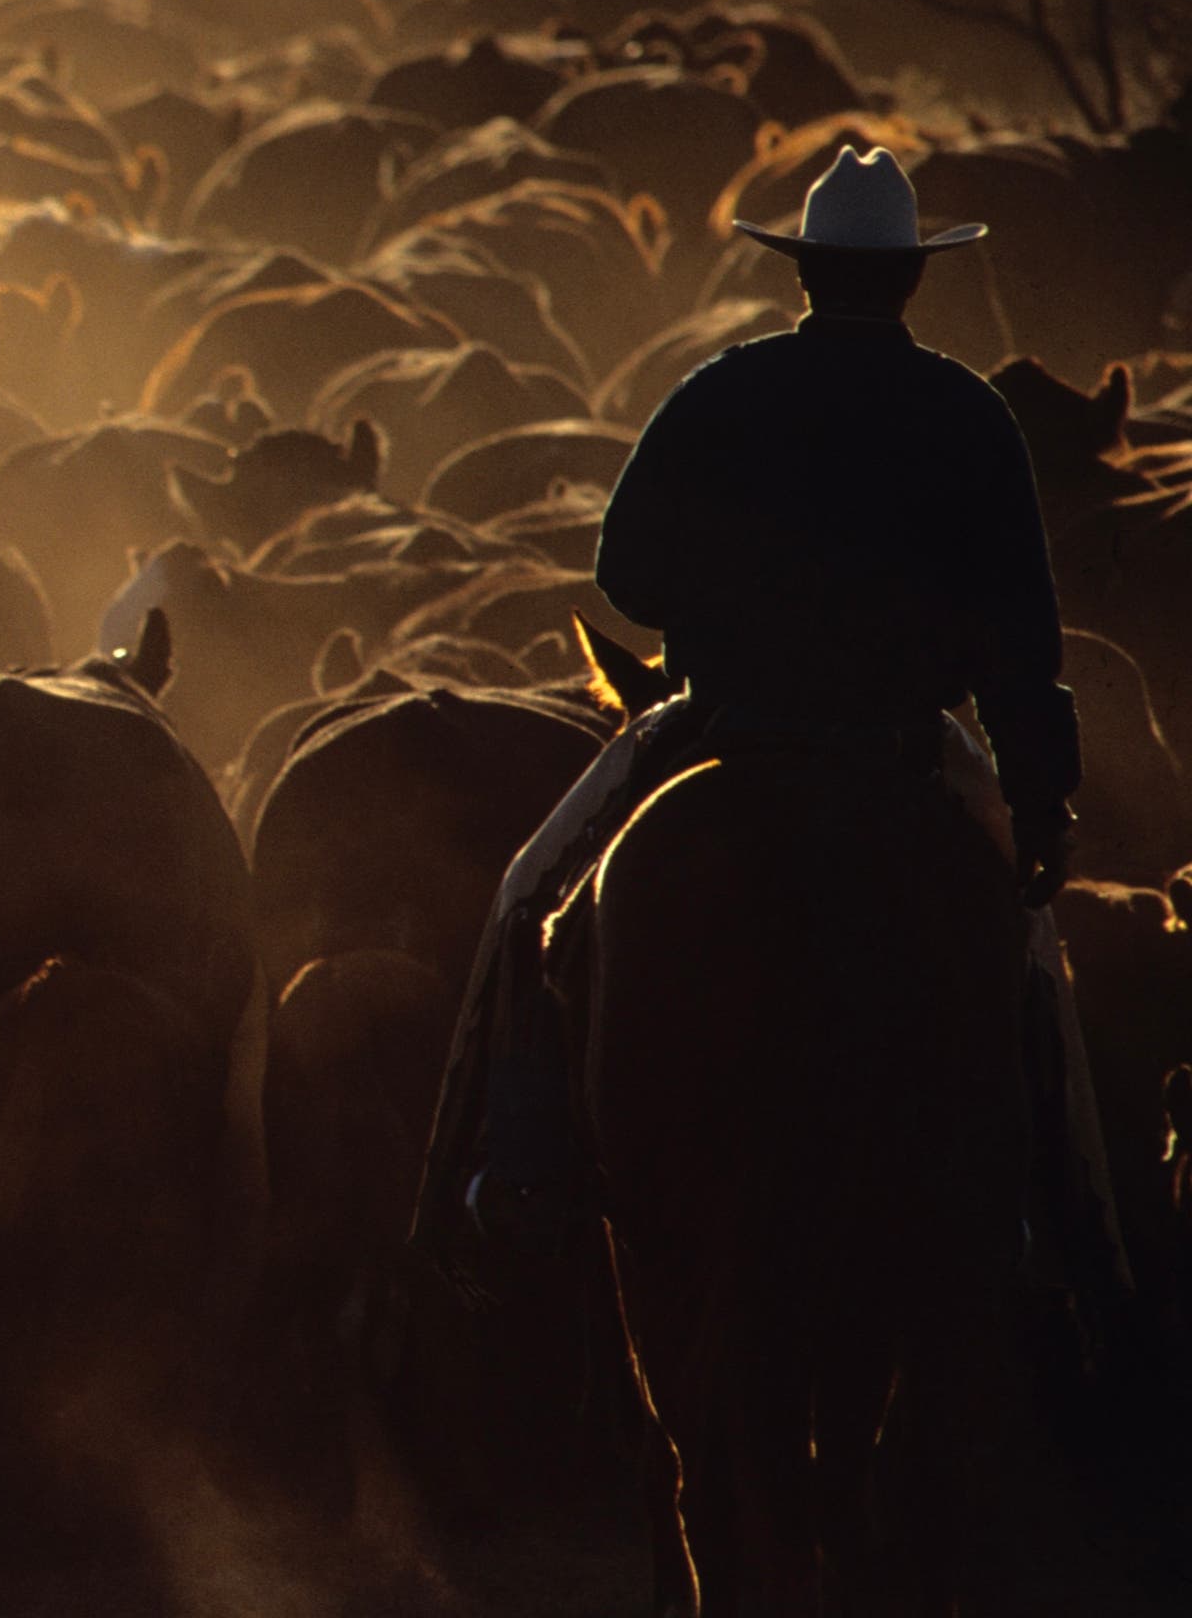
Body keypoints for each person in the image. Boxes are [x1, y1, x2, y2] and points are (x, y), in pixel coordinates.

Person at [419, 143, 1084, 1266]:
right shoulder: (969, 417)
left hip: (722, 725)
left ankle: (507, 1174)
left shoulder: (722, 391)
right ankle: (1063, 1232)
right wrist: (1043, 801)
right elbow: (1024, 639)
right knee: (1036, 967)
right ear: (913, 278)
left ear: (806, 273)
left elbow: (624, 576)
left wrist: (735, 601)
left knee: (528, 897)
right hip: (906, 744)